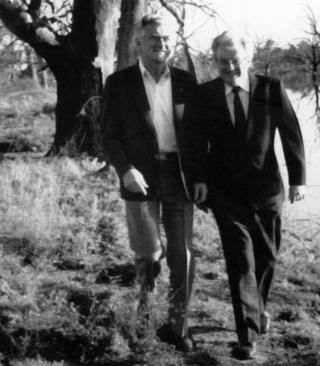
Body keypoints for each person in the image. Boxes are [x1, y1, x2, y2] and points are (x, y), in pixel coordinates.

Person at [184, 31, 307, 360]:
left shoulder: (269, 88)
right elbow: (194, 143)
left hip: (267, 191)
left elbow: (291, 133)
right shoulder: (204, 95)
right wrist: (197, 180)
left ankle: (260, 307)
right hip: (226, 194)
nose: (229, 67)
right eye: (222, 62)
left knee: (266, 258)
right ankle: (247, 337)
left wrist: (298, 179)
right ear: (215, 61)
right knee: (241, 263)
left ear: (247, 58)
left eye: (235, 60)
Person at [101, 14, 197, 352]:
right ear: (137, 43)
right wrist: (125, 168)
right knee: (146, 255)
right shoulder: (119, 83)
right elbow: (109, 135)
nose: (161, 44)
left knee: (181, 254)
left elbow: (199, 136)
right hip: (138, 178)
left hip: (178, 176)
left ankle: (178, 325)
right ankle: (144, 319)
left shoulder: (186, 81)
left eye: (167, 38)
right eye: (154, 38)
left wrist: (200, 177)